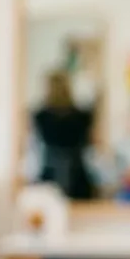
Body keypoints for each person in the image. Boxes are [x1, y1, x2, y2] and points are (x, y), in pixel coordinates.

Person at [32, 71, 99, 200]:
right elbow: (92, 143)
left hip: (49, 177)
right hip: (78, 178)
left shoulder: (41, 116)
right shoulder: (83, 116)